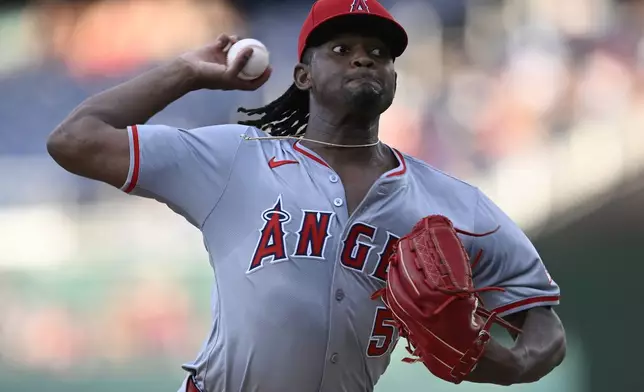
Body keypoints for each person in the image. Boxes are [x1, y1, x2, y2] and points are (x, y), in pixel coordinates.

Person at [47, 0, 566, 391]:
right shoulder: (236, 159)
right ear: (303, 75)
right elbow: (74, 140)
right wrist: (185, 72)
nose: (364, 60)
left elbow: (544, 325)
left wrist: (513, 365)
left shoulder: (454, 204)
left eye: (378, 54)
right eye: (341, 50)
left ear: (393, 78)